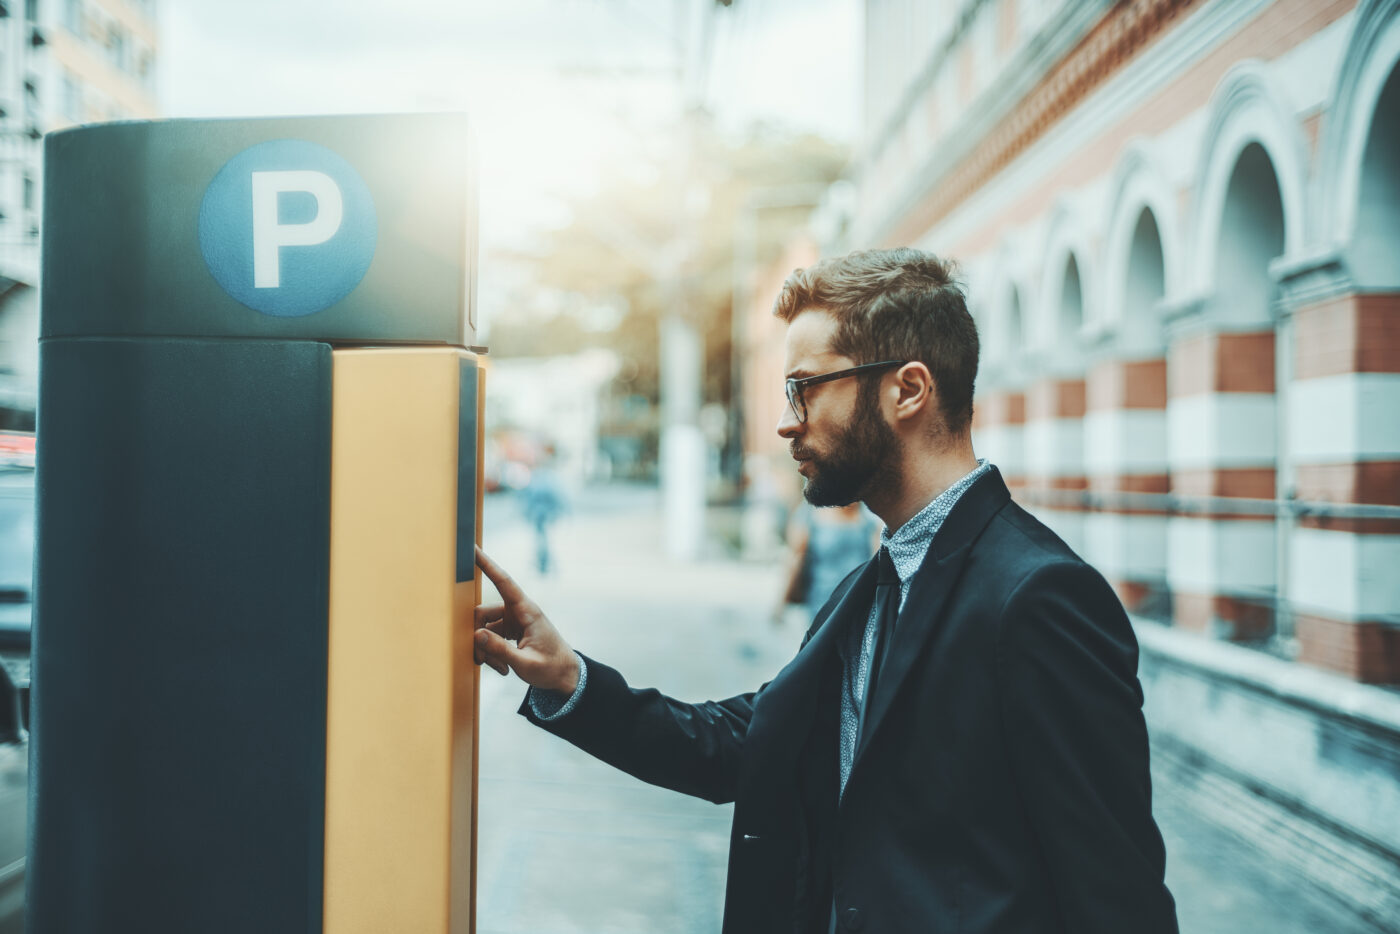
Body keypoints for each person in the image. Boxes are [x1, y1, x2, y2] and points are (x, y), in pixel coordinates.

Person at [473, 248, 1178, 934]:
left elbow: (1117, 895)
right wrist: (571, 682)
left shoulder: (1040, 597)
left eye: (804, 387)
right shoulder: (866, 590)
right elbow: (749, 748)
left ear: (907, 389)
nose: (786, 421)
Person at [775, 502, 880, 625]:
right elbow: (796, 558)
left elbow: (877, 562)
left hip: (859, 605)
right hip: (821, 605)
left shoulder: (869, 515)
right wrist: (782, 601)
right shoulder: (811, 513)